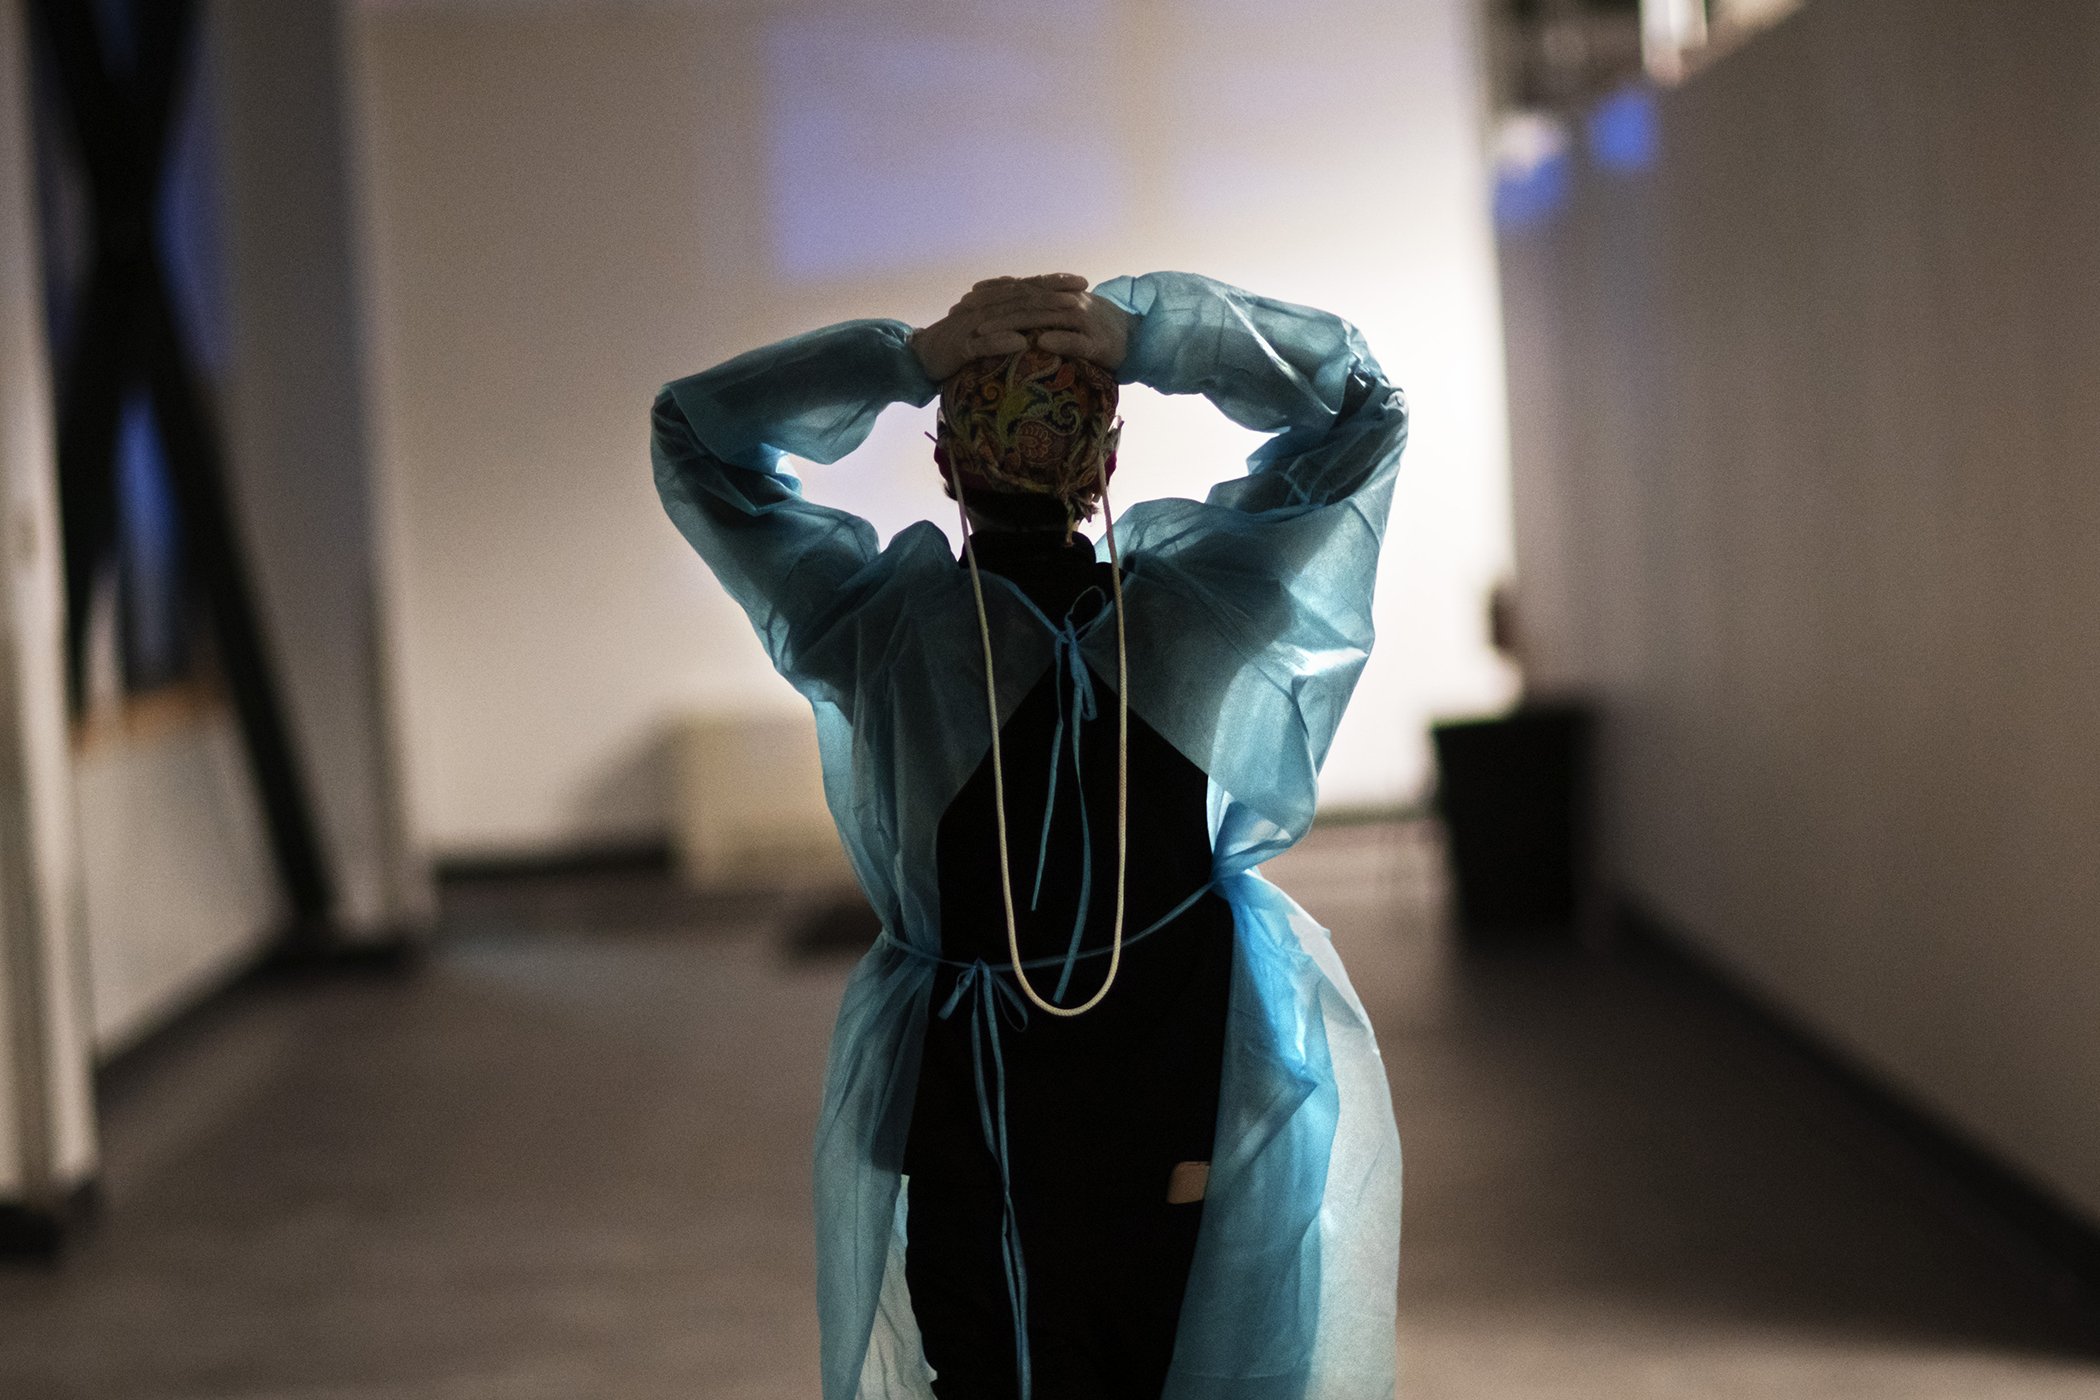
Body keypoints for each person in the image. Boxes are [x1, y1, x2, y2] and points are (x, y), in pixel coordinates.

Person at [651, 270, 1407, 1400]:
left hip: (979, 1135)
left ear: (947, 466)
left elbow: (696, 439)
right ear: (1107, 463)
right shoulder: (1192, 618)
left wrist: (907, 357)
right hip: (1176, 1107)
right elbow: (1364, 410)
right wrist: (1154, 335)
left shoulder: (882, 634)